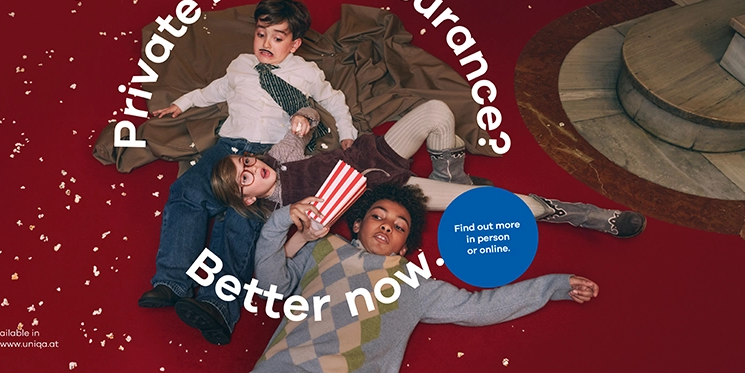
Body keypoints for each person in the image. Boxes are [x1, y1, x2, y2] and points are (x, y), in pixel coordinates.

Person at [138, 0, 358, 345]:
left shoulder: (306, 73)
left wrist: (347, 134)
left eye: (278, 37)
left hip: (268, 158)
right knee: (187, 192)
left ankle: (218, 306)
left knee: (241, 220)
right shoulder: (241, 64)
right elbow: (215, 90)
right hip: (227, 150)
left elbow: (334, 101)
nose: (266, 44)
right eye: (261, 34)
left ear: (295, 43)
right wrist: (181, 104)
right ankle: (172, 280)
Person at [251, 183, 600, 372]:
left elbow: (479, 308)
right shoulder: (323, 248)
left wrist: (554, 286)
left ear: (404, 249)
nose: (388, 224)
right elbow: (270, 284)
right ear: (357, 224)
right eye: (378, 216)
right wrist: (283, 221)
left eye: (399, 226)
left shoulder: (412, 282)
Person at [211, 99, 647, 237]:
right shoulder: (283, 212)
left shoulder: (279, 154)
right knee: (501, 205)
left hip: (377, 152)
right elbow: (301, 240)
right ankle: (591, 216)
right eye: (245, 175)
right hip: (392, 193)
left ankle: (450, 177)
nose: (254, 166)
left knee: (439, 111)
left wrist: (304, 115)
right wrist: (309, 229)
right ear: (247, 196)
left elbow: (305, 116)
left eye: (246, 160)